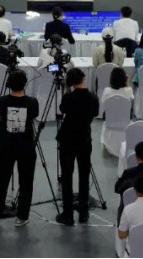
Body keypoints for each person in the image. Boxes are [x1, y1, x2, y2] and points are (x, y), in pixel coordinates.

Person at [0, 70, 39, 227]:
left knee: (1, 180)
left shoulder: (1, 101)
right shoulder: (32, 102)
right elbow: (34, 117)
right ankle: (22, 216)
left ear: (9, 84)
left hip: (6, 145)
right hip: (26, 146)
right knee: (26, 182)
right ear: (24, 84)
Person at [56, 68, 99, 226]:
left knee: (67, 176)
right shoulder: (92, 97)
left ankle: (67, 214)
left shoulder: (68, 97)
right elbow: (95, 113)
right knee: (84, 176)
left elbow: (62, 109)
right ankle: (83, 212)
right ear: (83, 78)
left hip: (67, 138)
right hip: (84, 138)